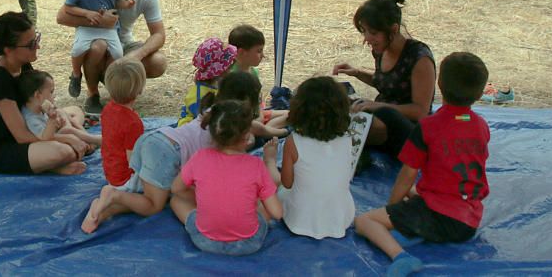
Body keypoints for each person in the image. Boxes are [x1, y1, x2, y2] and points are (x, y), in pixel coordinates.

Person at [355, 52, 490, 276]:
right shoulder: (481, 125)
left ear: (439, 84)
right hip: (469, 219)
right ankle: (416, 229)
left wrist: (392, 210)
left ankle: (401, 257)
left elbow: (407, 174)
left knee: (364, 222)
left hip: (440, 216)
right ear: (479, 93)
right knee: (416, 192)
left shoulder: (429, 126)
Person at [81, 71, 261, 234]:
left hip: (154, 139)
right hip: (166, 153)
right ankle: (114, 194)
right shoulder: (225, 133)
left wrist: (273, 132)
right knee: (153, 205)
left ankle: (104, 210)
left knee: (152, 196)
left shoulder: (215, 111)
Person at [0, 11, 89, 175]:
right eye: (31, 44)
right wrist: (67, 137)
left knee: (74, 111)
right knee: (63, 151)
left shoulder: (22, 64)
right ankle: (54, 165)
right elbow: (22, 137)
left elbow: (38, 103)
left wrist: (61, 119)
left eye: (36, 39)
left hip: (31, 129)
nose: (38, 46)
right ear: (8, 50)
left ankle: (65, 152)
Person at [57, 0, 167, 110]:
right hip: (97, 41)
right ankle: (92, 94)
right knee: (97, 47)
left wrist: (136, 56)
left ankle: (114, 80)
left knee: (158, 62)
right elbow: (62, 16)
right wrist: (97, 21)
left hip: (123, 44)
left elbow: (159, 35)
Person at [333, 0, 436, 158]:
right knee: (332, 97)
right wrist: (357, 73)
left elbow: (421, 112)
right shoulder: (381, 49)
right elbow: (389, 83)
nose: (367, 38)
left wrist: (379, 106)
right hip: (381, 116)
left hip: (409, 131)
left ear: (393, 29)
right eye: (364, 31)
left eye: (373, 33)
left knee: (363, 123)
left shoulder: (419, 58)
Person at [170, 99, 283, 256]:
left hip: (204, 241)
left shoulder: (200, 157)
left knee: (175, 201)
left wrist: (203, 198)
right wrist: (269, 162)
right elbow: (277, 213)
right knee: (262, 203)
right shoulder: (256, 165)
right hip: (249, 243)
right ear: (247, 135)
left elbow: (176, 188)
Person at [277, 76, 356, 239]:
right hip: (341, 217)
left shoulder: (294, 141)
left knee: (278, 191)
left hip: (299, 220)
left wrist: (270, 162)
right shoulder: (348, 139)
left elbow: (286, 183)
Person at [60, 0, 133, 113]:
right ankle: (76, 74)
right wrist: (87, 13)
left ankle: (111, 86)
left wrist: (126, 3)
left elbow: (115, 1)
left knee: (118, 54)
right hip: (88, 27)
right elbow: (68, 8)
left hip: (109, 28)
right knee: (78, 49)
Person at [17, 69, 100, 148]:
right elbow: (45, 138)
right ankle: (93, 140)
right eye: (51, 92)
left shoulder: (38, 106)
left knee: (75, 110)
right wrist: (53, 120)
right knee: (68, 130)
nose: (54, 95)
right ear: (38, 95)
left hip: (57, 131)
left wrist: (59, 120)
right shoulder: (31, 119)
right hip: (51, 142)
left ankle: (85, 136)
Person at [100, 59, 146, 186]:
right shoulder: (133, 123)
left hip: (110, 173)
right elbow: (133, 161)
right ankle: (116, 200)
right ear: (140, 89)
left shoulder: (107, 109)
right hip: (125, 180)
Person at [178, 37, 237, 126]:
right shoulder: (199, 95)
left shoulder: (215, 86)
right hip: (191, 130)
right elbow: (202, 121)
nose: (231, 68)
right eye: (229, 65)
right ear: (220, 70)